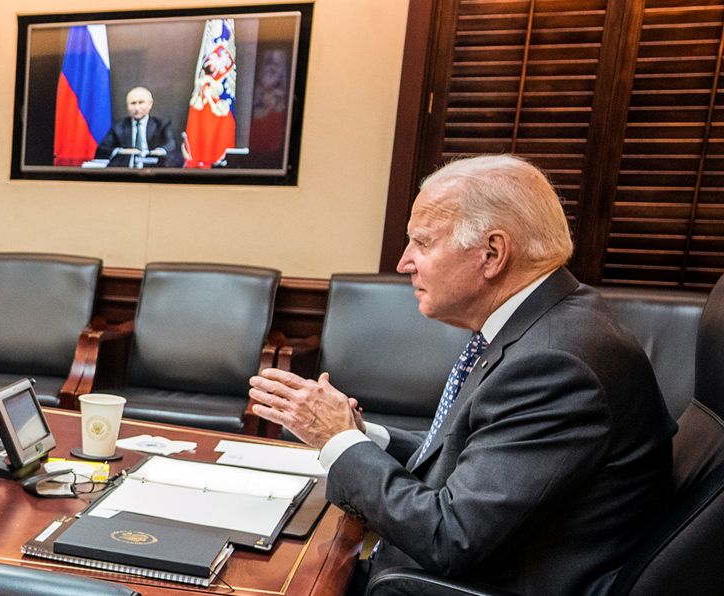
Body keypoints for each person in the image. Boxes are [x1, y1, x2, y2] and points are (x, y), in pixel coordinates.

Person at [248, 154, 677, 595]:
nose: (403, 262)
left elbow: (449, 537)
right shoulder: (547, 323)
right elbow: (474, 459)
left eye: (423, 243)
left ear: (492, 253)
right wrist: (360, 436)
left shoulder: (555, 363)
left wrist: (340, 441)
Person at [94, 86, 180, 168]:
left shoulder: (161, 124)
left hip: (154, 172)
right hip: (126, 173)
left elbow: (171, 145)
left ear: (150, 104)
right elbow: (103, 149)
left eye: (141, 102)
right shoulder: (119, 126)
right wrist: (123, 151)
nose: (137, 108)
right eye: (133, 103)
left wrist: (157, 152)